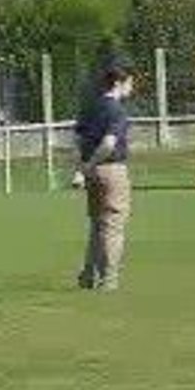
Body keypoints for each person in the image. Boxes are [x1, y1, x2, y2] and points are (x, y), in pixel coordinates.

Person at [75, 62, 134, 291]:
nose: (131, 88)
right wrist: (92, 163)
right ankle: (109, 279)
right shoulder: (116, 110)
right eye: (129, 83)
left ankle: (88, 274)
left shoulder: (91, 107)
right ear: (119, 83)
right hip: (111, 169)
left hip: (91, 172)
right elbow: (109, 144)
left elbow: (77, 140)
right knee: (113, 225)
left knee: (97, 225)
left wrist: (82, 169)